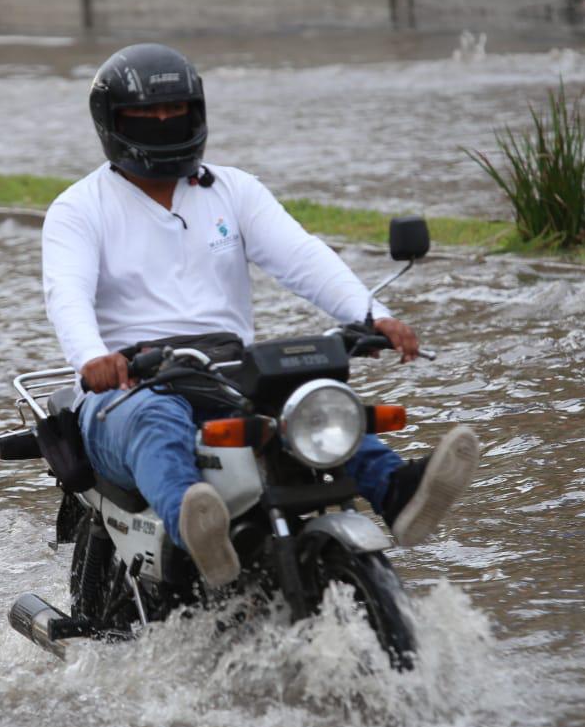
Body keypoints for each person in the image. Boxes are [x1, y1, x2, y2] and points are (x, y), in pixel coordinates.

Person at [41, 43, 479, 589]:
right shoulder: (79, 208)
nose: (162, 122)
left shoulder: (234, 190)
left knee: (309, 400)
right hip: (124, 390)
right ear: (113, 123)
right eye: (144, 115)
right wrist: (93, 359)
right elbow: (68, 294)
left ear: (195, 112)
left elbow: (303, 256)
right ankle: (195, 523)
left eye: (173, 110)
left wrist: (374, 315)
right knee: (157, 420)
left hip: (221, 371)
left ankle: (396, 490)